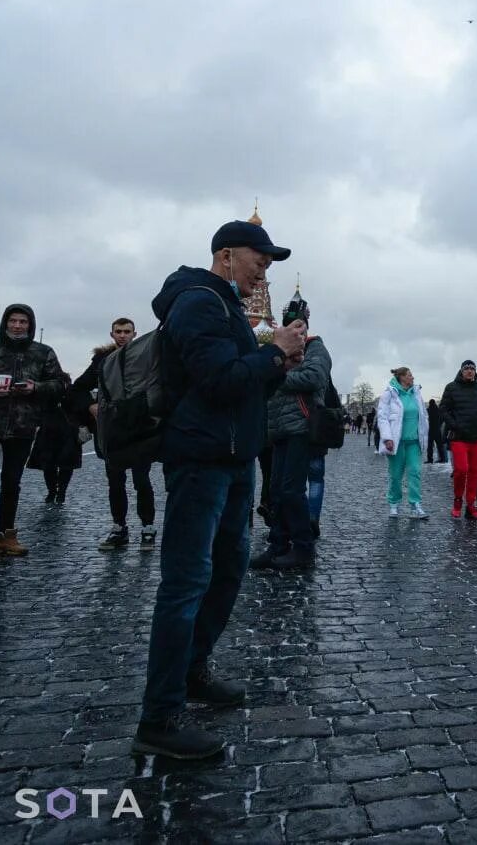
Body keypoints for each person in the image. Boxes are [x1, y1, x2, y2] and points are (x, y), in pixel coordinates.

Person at [134, 216, 305, 760]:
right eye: (260, 262)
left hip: (234, 459)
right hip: (201, 459)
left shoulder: (226, 303)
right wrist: (273, 352)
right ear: (227, 255)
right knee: (186, 582)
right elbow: (217, 380)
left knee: (230, 569)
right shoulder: (199, 301)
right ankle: (158, 717)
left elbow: (243, 385)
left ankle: (192, 670)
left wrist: (280, 362)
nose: (263, 273)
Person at [252, 293, 331, 571]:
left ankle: (303, 548)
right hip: (278, 429)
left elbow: (313, 378)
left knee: (291, 490)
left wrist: (277, 374)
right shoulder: (278, 348)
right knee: (276, 490)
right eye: (291, 326)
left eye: (300, 325)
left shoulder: (315, 348)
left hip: (301, 426)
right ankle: (278, 544)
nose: (297, 330)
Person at [71, 318, 159, 551]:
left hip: (139, 426)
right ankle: (119, 527)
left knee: (142, 480)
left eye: (127, 332)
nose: (122, 335)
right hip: (113, 430)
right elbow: (77, 389)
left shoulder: (145, 357)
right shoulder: (102, 360)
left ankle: (148, 527)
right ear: (112, 335)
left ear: (134, 334)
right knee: (115, 481)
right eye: (118, 332)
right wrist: (91, 406)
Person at [0, 304, 64, 557]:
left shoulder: (43, 352)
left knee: (11, 483)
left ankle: (6, 535)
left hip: (23, 426)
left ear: (30, 325)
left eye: (23, 321)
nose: (18, 326)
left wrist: (36, 388)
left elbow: (59, 385)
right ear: (5, 322)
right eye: (13, 321)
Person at [377, 366, 429, 519]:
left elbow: (423, 416)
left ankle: (415, 505)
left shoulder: (416, 393)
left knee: (415, 472)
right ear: (402, 378)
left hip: (414, 442)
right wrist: (387, 438)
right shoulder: (389, 393)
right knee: (395, 475)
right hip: (396, 442)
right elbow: (382, 417)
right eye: (410, 375)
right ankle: (394, 504)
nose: (412, 377)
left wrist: (425, 435)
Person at [439, 360, 477, 520]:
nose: (470, 371)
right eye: (466, 368)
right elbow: (443, 409)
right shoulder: (451, 387)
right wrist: (454, 424)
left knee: (476, 472)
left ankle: (471, 505)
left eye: (472, 368)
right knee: (461, 469)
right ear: (461, 371)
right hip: (459, 436)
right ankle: (457, 501)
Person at [28, 372, 83, 505]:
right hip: (54, 432)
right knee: (53, 465)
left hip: (61, 432)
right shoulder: (49, 394)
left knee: (60, 465)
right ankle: (55, 492)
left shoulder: (71, 393)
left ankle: (57, 492)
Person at [425, 398, 446, 463]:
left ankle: (430, 459)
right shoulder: (438, 411)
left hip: (430, 430)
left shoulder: (428, 410)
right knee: (439, 445)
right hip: (437, 430)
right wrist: (439, 425)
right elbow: (442, 419)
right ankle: (442, 458)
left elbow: (425, 419)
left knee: (430, 446)